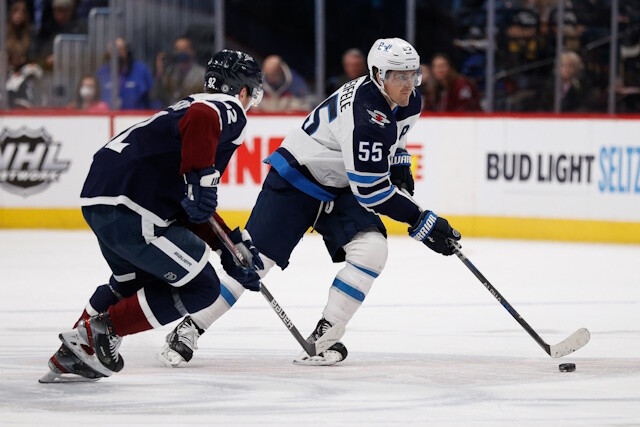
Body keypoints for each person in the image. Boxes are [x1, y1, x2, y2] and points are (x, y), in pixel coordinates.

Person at [157, 37, 461, 368]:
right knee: (253, 262)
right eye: (398, 76)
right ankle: (190, 327)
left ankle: (326, 334)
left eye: (412, 75)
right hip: (297, 179)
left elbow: (397, 136)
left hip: (341, 182)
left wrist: (399, 162)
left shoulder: (409, 100)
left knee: (372, 250)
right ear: (377, 74)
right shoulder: (365, 114)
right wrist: (422, 221)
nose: (407, 85)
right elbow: (371, 191)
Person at [40, 50, 264, 383]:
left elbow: (189, 208)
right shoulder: (224, 109)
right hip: (133, 204)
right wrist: (201, 180)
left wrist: (226, 244)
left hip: (103, 199)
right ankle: (102, 332)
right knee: (202, 287)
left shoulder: (185, 105)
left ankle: (74, 346)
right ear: (242, 91)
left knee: (134, 283)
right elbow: (203, 123)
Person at [96, 37, 154, 110]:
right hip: (108, 118)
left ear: (126, 51)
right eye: (113, 50)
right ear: (108, 53)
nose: (116, 54)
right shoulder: (102, 73)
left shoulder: (141, 70)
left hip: (137, 117)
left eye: (120, 49)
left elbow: (153, 97)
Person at [151, 36, 206, 108]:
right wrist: (160, 72)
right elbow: (154, 96)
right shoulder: (169, 72)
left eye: (185, 49)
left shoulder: (202, 75)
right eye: (178, 49)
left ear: (192, 51)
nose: (181, 52)